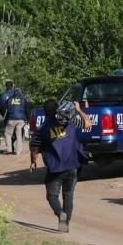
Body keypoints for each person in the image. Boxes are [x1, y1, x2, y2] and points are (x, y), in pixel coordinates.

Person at [29, 100, 92, 233]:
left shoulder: (42, 129)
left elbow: (35, 148)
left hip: (55, 168)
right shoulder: (70, 122)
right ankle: (65, 224)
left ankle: (60, 213)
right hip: (73, 166)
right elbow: (88, 124)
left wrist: (33, 161)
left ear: (45, 112)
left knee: (52, 196)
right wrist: (79, 110)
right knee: (68, 195)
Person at [3, 87, 28, 155]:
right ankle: (18, 151)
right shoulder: (23, 99)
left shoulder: (9, 99)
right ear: (20, 92)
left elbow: (5, 110)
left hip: (11, 119)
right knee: (19, 135)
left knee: (8, 134)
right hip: (21, 119)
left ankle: (9, 149)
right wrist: (27, 119)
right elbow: (26, 110)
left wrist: (5, 119)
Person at [0, 79, 15, 152]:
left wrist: (2, 113)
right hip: (17, 115)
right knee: (16, 132)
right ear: (12, 86)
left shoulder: (2, 95)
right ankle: (15, 148)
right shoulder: (17, 95)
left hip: (7, 115)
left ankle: (9, 148)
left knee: (8, 132)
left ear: (5, 86)